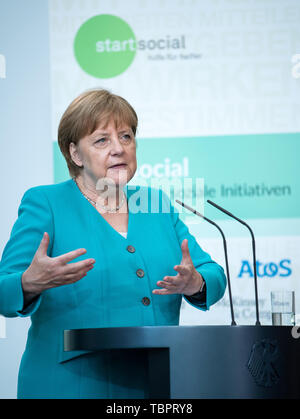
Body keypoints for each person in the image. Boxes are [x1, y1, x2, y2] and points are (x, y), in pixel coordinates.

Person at [0, 89, 226, 399]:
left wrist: (196, 282)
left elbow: (212, 274)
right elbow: (3, 289)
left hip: (153, 382)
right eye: (102, 140)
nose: (118, 149)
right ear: (76, 154)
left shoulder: (154, 203)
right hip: (69, 385)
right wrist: (28, 283)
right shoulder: (46, 203)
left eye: (126, 137)